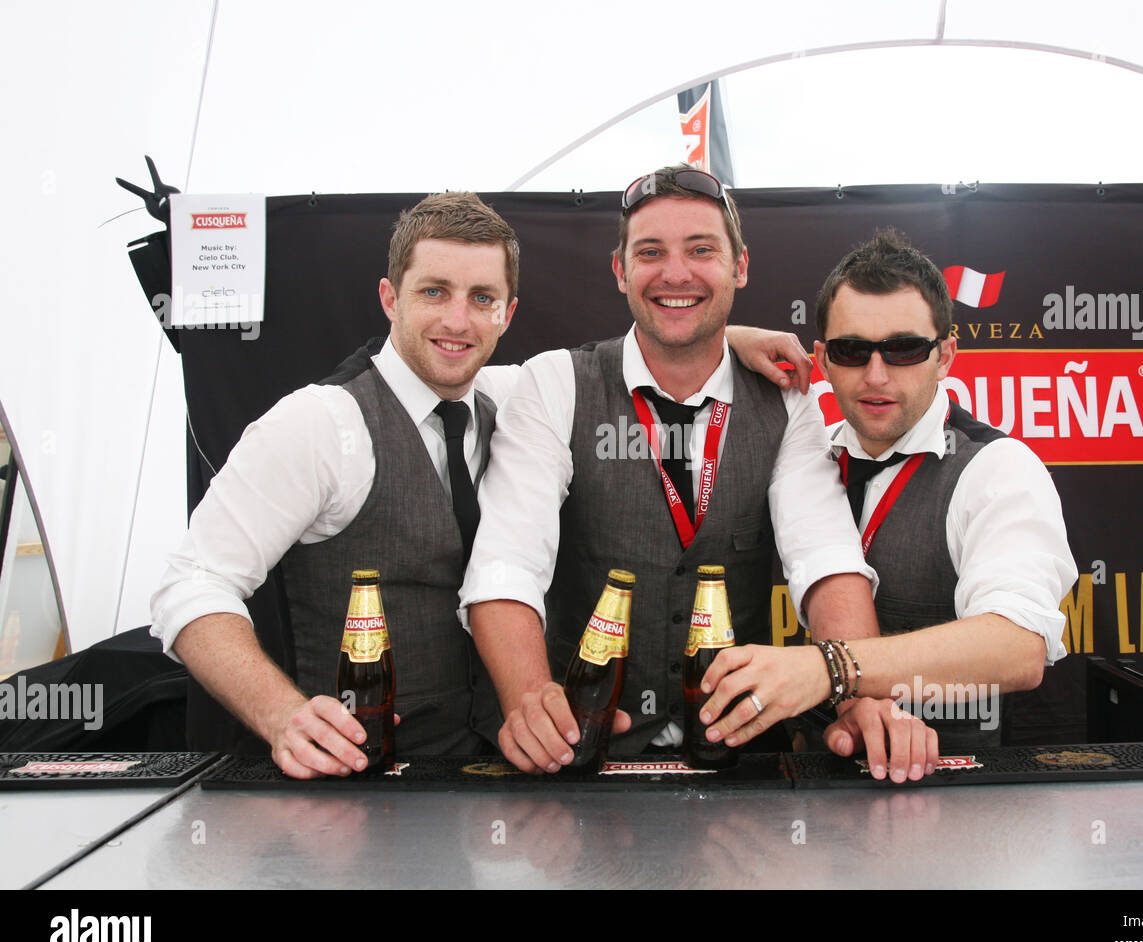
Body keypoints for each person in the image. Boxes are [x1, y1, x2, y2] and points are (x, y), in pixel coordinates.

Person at [151, 190, 834, 780]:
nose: (458, 321)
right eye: (434, 292)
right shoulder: (317, 424)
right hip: (357, 783)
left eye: (482, 298)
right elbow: (191, 582)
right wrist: (282, 716)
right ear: (389, 296)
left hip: (491, 777)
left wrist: (724, 333)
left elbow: (654, 356)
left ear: (508, 312)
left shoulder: (511, 394)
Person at [462, 166, 938, 782]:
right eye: (651, 252)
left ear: (739, 267)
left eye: (701, 250)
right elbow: (507, 563)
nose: (676, 273)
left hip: (737, 762)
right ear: (621, 271)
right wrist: (529, 699)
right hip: (579, 758)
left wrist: (860, 695)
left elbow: (823, 560)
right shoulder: (555, 384)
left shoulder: (786, 403)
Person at [699, 229, 1077, 759]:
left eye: (903, 349)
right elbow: (648, 364)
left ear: (945, 356)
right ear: (823, 359)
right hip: (803, 792)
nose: (876, 375)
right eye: (853, 351)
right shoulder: (803, 457)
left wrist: (831, 669)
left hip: (953, 794)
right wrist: (720, 343)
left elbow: (1016, 647)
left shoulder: (998, 469)